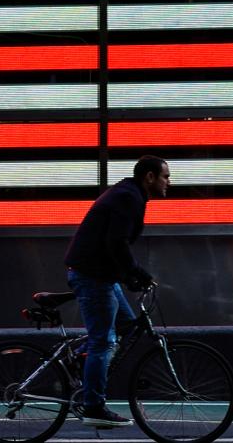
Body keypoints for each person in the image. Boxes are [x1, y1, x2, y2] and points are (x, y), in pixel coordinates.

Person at [63, 155, 170, 427]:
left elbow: (111, 245)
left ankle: (80, 360)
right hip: (92, 277)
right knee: (104, 341)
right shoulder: (128, 197)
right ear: (149, 177)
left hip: (101, 275)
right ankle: (93, 406)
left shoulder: (130, 194)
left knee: (128, 326)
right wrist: (137, 273)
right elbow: (116, 242)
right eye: (165, 176)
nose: (169, 182)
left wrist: (128, 276)